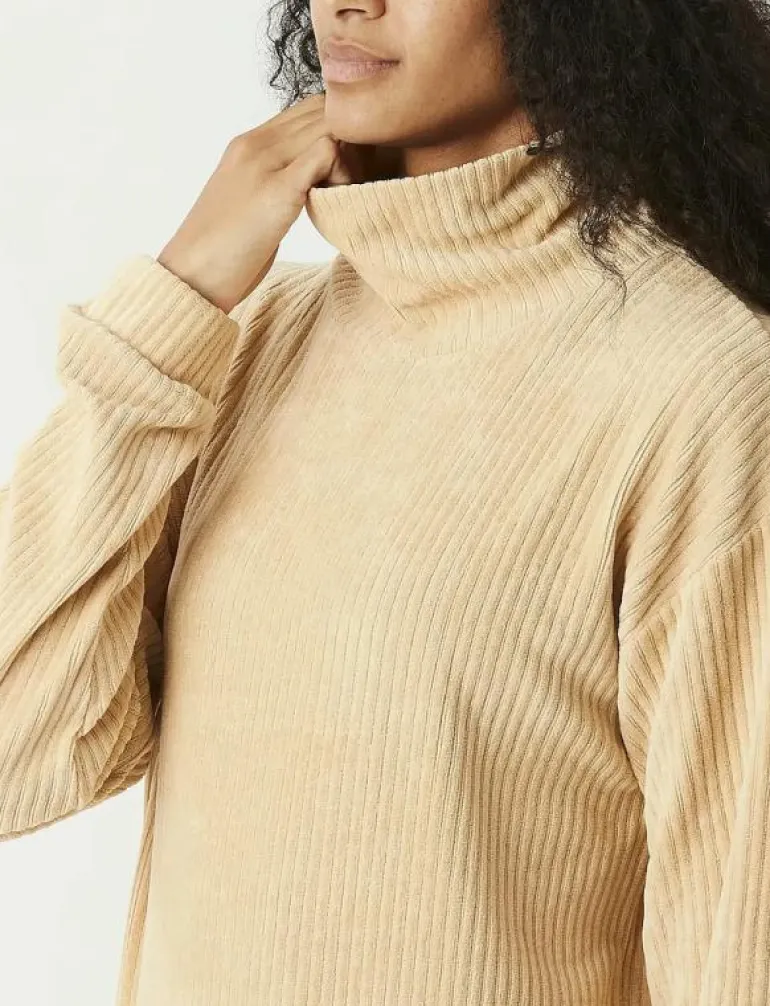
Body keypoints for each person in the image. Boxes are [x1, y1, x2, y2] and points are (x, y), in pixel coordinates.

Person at [1, 0, 769, 1003]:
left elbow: (736, 936)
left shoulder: (701, 384)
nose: (346, 3)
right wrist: (174, 302)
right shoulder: (251, 343)